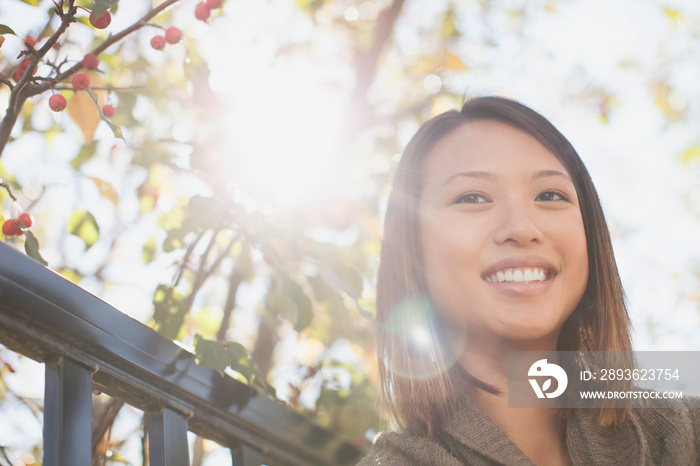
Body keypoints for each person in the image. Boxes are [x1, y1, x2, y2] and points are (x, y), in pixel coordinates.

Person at [358, 96, 700, 465]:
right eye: (472, 197)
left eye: (550, 195)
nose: (522, 228)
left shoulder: (687, 434)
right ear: (412, 249)